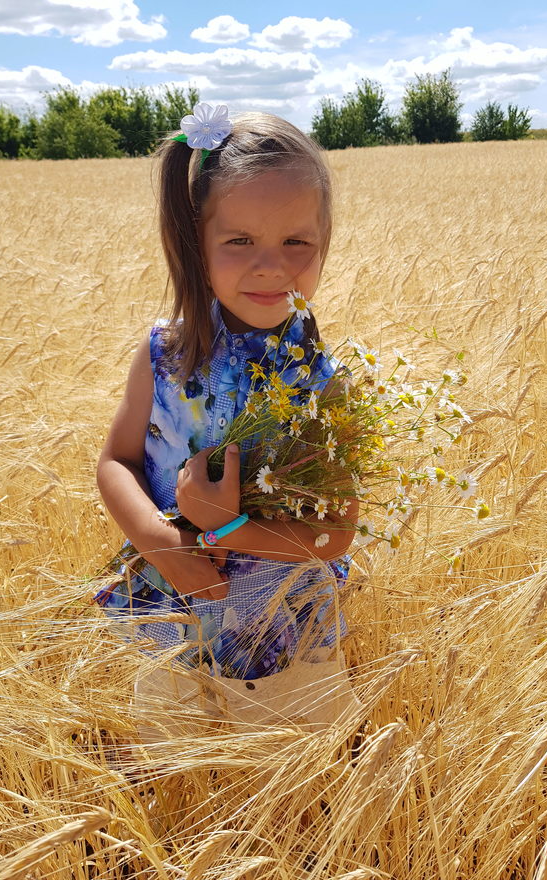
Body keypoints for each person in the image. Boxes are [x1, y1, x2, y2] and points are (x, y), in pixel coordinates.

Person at [95, 104, 362, 738]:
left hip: (280, 619)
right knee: (169, 746)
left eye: (297, 242)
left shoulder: (324, 387)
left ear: (325, 246)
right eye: (240, 241)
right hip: (173, 601)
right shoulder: (164, 353)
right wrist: (163, 544)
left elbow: (336, 536)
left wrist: (228, 530)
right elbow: (116, 463)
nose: (271, 265)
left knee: (289, 757)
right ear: (198, 242)